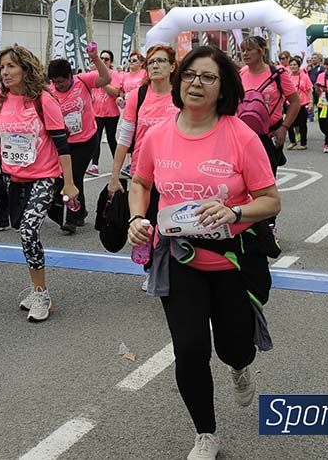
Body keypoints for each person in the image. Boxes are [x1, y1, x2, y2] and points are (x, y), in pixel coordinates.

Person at [128, 46, 281, 460]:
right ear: (179, 82)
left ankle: (239, 364)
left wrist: (233, 210)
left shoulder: (240, 135)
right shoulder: (159, 133)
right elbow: (140, 181)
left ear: (222, 87)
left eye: (208, 77)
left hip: (231, 262)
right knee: (190, 348)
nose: (196, 83)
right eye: (190, 75)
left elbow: (270, 201)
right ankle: (205, 433)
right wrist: (136, 218)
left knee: (233, 345)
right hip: (180, 260)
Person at [0, 45, 79, 322]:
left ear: (26, 68)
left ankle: (41, 294)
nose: (5, 72)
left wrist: (69, 184)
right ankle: (35, 287)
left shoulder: (44, 100)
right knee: (23, 232)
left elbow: (62, 145)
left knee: (28, 231)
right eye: (2, 67)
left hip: (44, 176)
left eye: (11, 66)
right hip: (13, 178)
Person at [107, 45, 179, 290]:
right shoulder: (137, 96)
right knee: (147, 223)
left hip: (176, 173)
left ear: (172, 66)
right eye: (151, 62)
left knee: (171, 223)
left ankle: (171, 267)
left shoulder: (181, 95)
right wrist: (115, 176)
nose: (155, 65)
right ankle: (151, 269)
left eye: (161, 61)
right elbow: (124, 137)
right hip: (143, 174)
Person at [47, 48, 113, 233]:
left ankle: (72, 218)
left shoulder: (83, 80)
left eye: (60, 81)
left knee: (75, 176)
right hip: (64, 142)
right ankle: (80, 210)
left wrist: (95, 58)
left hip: (87, 139)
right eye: (54, 82)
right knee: (65, 177)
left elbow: (106, 79)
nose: (57, 85)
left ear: (70, 76)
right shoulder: (50, 92)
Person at [238, 36, 300, 175]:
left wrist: (284, 127)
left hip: (270, 133)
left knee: (267, 177)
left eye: (249, 50)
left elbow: (295, 102)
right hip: (245, 134)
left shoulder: (277, 73)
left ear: (261, 51)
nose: (245, 54)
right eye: (243, 50)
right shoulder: (241, 73)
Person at [88, 50, 122, 176]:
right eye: (101, 58)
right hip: (96, 112)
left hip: (111, 113)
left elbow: (115, 92)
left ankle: (117, 165)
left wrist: (104, 84)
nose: (103, 61)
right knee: (96, 139)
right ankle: (95, 165)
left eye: (106, 59)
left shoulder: (114, 75)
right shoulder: (93, 74)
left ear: (111, 62)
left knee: (111, 139)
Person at [285, 57, 312, 151]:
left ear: (299, 66)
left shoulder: (304, 76)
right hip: (290, 103)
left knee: (302, 124)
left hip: (302, 103)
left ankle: (303, 143)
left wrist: (311, 102)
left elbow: (309, 90)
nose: (293, 67)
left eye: (295, 65)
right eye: (291, 65)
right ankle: (292, 141)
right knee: (288, 123)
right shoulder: (287, 76)